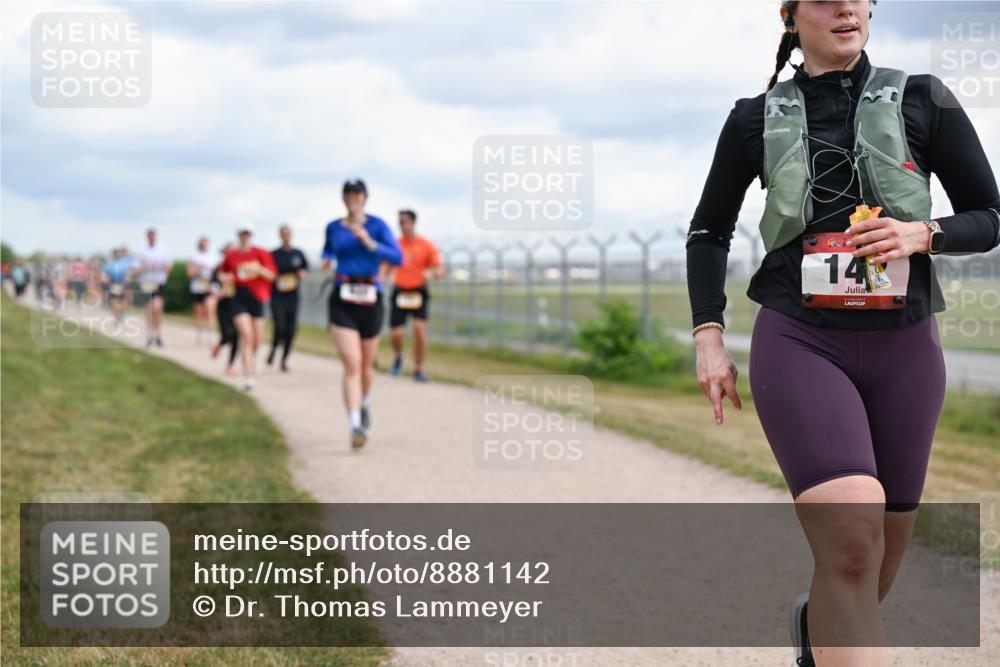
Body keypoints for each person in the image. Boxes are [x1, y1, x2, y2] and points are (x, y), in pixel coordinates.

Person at [685, 2, 1000, 666]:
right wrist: (709, 336)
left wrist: (924, 233)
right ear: (793, 15)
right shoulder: (754, 117)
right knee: (853, 536)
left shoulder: (924, 100)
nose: (848, 7)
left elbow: (991, 213)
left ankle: (814, 635)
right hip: (800, 339)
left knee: (874, 555)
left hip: (906, 345)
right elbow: (708, 232)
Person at [321, 178, 402, 449]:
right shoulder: (333, 227)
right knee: (352, 363)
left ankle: (364, 402)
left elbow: (397, 258)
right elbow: (328, 249)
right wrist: (326, 259)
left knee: (367, 366)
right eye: (348, 194)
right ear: (343, 198)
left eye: (357, 194)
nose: (353, 198)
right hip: (343, 295)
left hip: (370, 297)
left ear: (365, 197)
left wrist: (370, 243)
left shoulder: (377, 226)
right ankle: (355, 425)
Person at [386, 209, 445, 382]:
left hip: (418, 291)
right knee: (396, 333)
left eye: (405, 221)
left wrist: (432, 273)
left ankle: (418, 368)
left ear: (413, 223)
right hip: (400, 290)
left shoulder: (426, 245)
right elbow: (385, 265)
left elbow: (440, 268)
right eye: (400, 222)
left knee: (419, 330)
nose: (402, 225)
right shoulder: (395, 245)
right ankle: (398, 356)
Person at [219, 224, 276, 390]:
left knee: (257, 340)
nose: (245, 237)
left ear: (251, 235)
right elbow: (222, 273)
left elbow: (272, 275)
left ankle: (251, 362)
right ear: (238, 235)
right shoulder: (231, 255)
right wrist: (226, 278)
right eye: (242, 234)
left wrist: (257, 268)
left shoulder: (261, 253)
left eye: (247, 234)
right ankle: (248, 376)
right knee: (246, 335)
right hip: (239, 297)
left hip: (257, 297)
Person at [268, 224, 310, 372]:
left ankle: (284, 359)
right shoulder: (273, 254)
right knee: (279, 327)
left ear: (291, 235)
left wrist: (303, 274)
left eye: (288, 233)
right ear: (280, 235)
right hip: (277, 296)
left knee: (291, 330)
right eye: (283, 233)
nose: (286, 235)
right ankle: (273, 348)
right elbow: (268, 272)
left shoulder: (298, 254)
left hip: (293, 296)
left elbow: (305, 270)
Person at [131, 228, 173, 347]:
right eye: (150, 236)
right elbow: (135, 269)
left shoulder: (162, 250)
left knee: (157, 309)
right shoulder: (141, 251)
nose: (152, 238)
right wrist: (146, 267)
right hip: (146, 283)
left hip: (158, 283)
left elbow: (169, 266)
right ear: (147, 237)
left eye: (153, 236)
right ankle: (150, 335)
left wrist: (164, 270)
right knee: (149, 310)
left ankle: (158, 335)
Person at [210, 243, 240, 376]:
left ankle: (230, 364)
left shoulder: (240, 268)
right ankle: (220, 343)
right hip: (223, 305)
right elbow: (213, 286)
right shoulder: (218, 268)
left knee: (237, 336)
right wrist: (220, 292)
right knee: (227, 334)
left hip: (238, 305)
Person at [187, 236, 216, 345]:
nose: (204, 246)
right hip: (197, 287)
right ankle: (199, 334)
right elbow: (189, 273)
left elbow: (215, 273)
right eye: (202, 244)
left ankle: (211, 336)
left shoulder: (212, 257)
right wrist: (198, 271)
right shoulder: (195, 257)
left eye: (206, 244)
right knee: (198, 312)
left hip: (208, 287)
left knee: (210, 309)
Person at [101, 247, 132, 321]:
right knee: (114, 300)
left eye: (119, 253)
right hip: (113, 284)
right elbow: (103, 273)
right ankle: (117, 316)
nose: (118, 255)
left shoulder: (124, 263)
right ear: (114, 254)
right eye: (116, 253)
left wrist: (127, 278)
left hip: (123, 284)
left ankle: (122, 311)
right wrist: (104, 279)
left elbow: (128, 273)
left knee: (123, 300)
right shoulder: (109, 264)